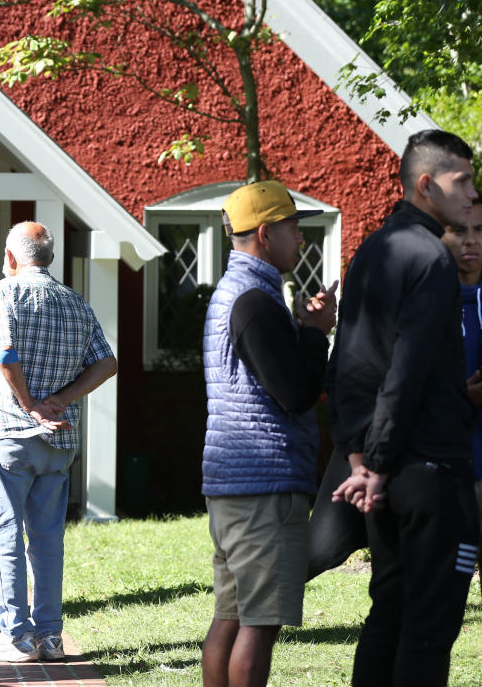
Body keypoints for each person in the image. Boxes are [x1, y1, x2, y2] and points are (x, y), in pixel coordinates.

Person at [329, 129, 480, 687]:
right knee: (428, 627)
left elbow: (345, 364)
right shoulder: (431, 260)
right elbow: (405, 373)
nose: (471, 193)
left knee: (389, 613)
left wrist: (358, 459)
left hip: (384, 472)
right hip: (428, 473)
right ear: (426, 185)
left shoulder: (371, 249)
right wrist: (377, 464)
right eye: (461, 180)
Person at [198, 182, 337, 687]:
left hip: (233, 481)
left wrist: (303, 330)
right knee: (259, 626)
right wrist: (316, 333)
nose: (300, 239)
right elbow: (295, 393)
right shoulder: (255, 300)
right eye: (294, 228)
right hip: (265, 485)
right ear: (265, 233)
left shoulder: (233, 293)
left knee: (230, 619)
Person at [0, 221, 117, 662]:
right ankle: (50, 635)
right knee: (48, 538)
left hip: (9, 432)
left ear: (11, 258)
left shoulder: (4, 292)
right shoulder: (74, 301)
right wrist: (60, 400)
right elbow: (107, 363)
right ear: (48, 258)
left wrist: (31, 403)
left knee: (3, 536)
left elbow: (5, 352)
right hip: (59, 438)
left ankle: (12, 636)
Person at [441, 198, 482, 619]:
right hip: (447, 475)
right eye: (459, 231)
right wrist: (463, 396)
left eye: (479, 230)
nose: (470, 241)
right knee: (439, 614)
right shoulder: (426, 302)